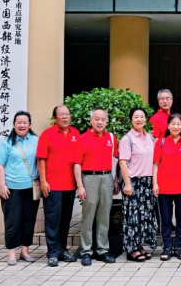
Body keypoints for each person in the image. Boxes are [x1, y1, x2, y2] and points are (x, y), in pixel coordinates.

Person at [72, 108, 118, 265]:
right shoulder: (82, 138)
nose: (100, 122)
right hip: (89, 178)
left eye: (103, 119)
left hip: (107, 178)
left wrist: (115, 180)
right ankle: (86, 251)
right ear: (91, 120)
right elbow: (77, 164)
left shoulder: (111, 138)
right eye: (97, 119)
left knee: (104, 216)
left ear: (107, 121)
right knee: (88, 216)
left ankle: (102, 250)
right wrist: (80, 186)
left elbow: (115, 161)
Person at [37, 105, 81, 267]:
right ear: (55, 118)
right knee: (52, 220)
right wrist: (43, 181)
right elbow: (41, 159)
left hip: (70, 185)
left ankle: (62, 250)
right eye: (61, 114)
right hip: (52, 185)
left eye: (67, 114)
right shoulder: (47, 134)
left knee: (65, 220)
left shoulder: (75, 133)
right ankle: (53, 253)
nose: (65, 117)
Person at [0, 110, 40, 266]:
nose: (22, 125)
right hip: (12, 189)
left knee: (29, 220)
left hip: (31, 188)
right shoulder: (6, 142)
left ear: (29, 125)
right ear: (14, 124)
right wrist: (2, 185)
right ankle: (11, 253)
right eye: (19, 122)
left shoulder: (35, 140)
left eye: (25, 122)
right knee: (12, 221)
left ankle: (25, 251)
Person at [119, 107, 157, 262]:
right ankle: (131, 249)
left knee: (144, 217)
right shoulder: (127, 139)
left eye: (142, 116)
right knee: (132, 217)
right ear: (131, 120)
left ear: (146, 119)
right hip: (133, 182)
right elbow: (123, 163)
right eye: (136, 117)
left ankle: (139, 245)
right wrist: (127, 184)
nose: (139, 119)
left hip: (147, 182)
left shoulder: (150, 138)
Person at [153, 113, 181, 261]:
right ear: (168, 126)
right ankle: (167, 247)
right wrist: (155, 183)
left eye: (178, 124)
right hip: (164, 187)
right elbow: (156, 164)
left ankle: (179, 247)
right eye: (173, 124)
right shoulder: (161, 142)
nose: (176, 127)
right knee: (166, 219)